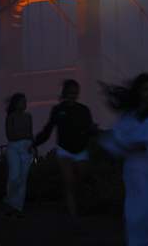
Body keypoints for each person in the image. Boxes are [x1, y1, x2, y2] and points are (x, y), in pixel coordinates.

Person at [99, 73, 148, 246]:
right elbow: (117, 141)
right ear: (138, 92)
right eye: (145, 89)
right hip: (137, 167)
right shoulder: (127, 118)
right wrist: (132, 146)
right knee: (141, 212)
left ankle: (147, 239)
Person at [33, 79, 96, 217]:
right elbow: (48, 130)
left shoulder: (83, 110)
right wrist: (35, 143)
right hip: (64, 150)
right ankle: (74, 218)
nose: (73, 95)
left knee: (81, 180)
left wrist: (98, 133)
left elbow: (90, 129)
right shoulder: (58, 110)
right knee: (69, 182)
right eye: (70, 92)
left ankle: (76, 205)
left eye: (75, 92)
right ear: (65, 93)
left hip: (81, 149)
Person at [3, 93, 34, 217]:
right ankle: (10, 201)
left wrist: (33, 146)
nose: (24, 104)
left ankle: (18, 207)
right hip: (14, 147)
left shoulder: (28, 116)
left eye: (25, 101)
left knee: (23, 178)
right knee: (14, 176)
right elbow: (10, 135)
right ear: (16, 103)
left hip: (27, 147)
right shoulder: (11, 117)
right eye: (22, 101)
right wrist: (24, 136)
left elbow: (30, 133)